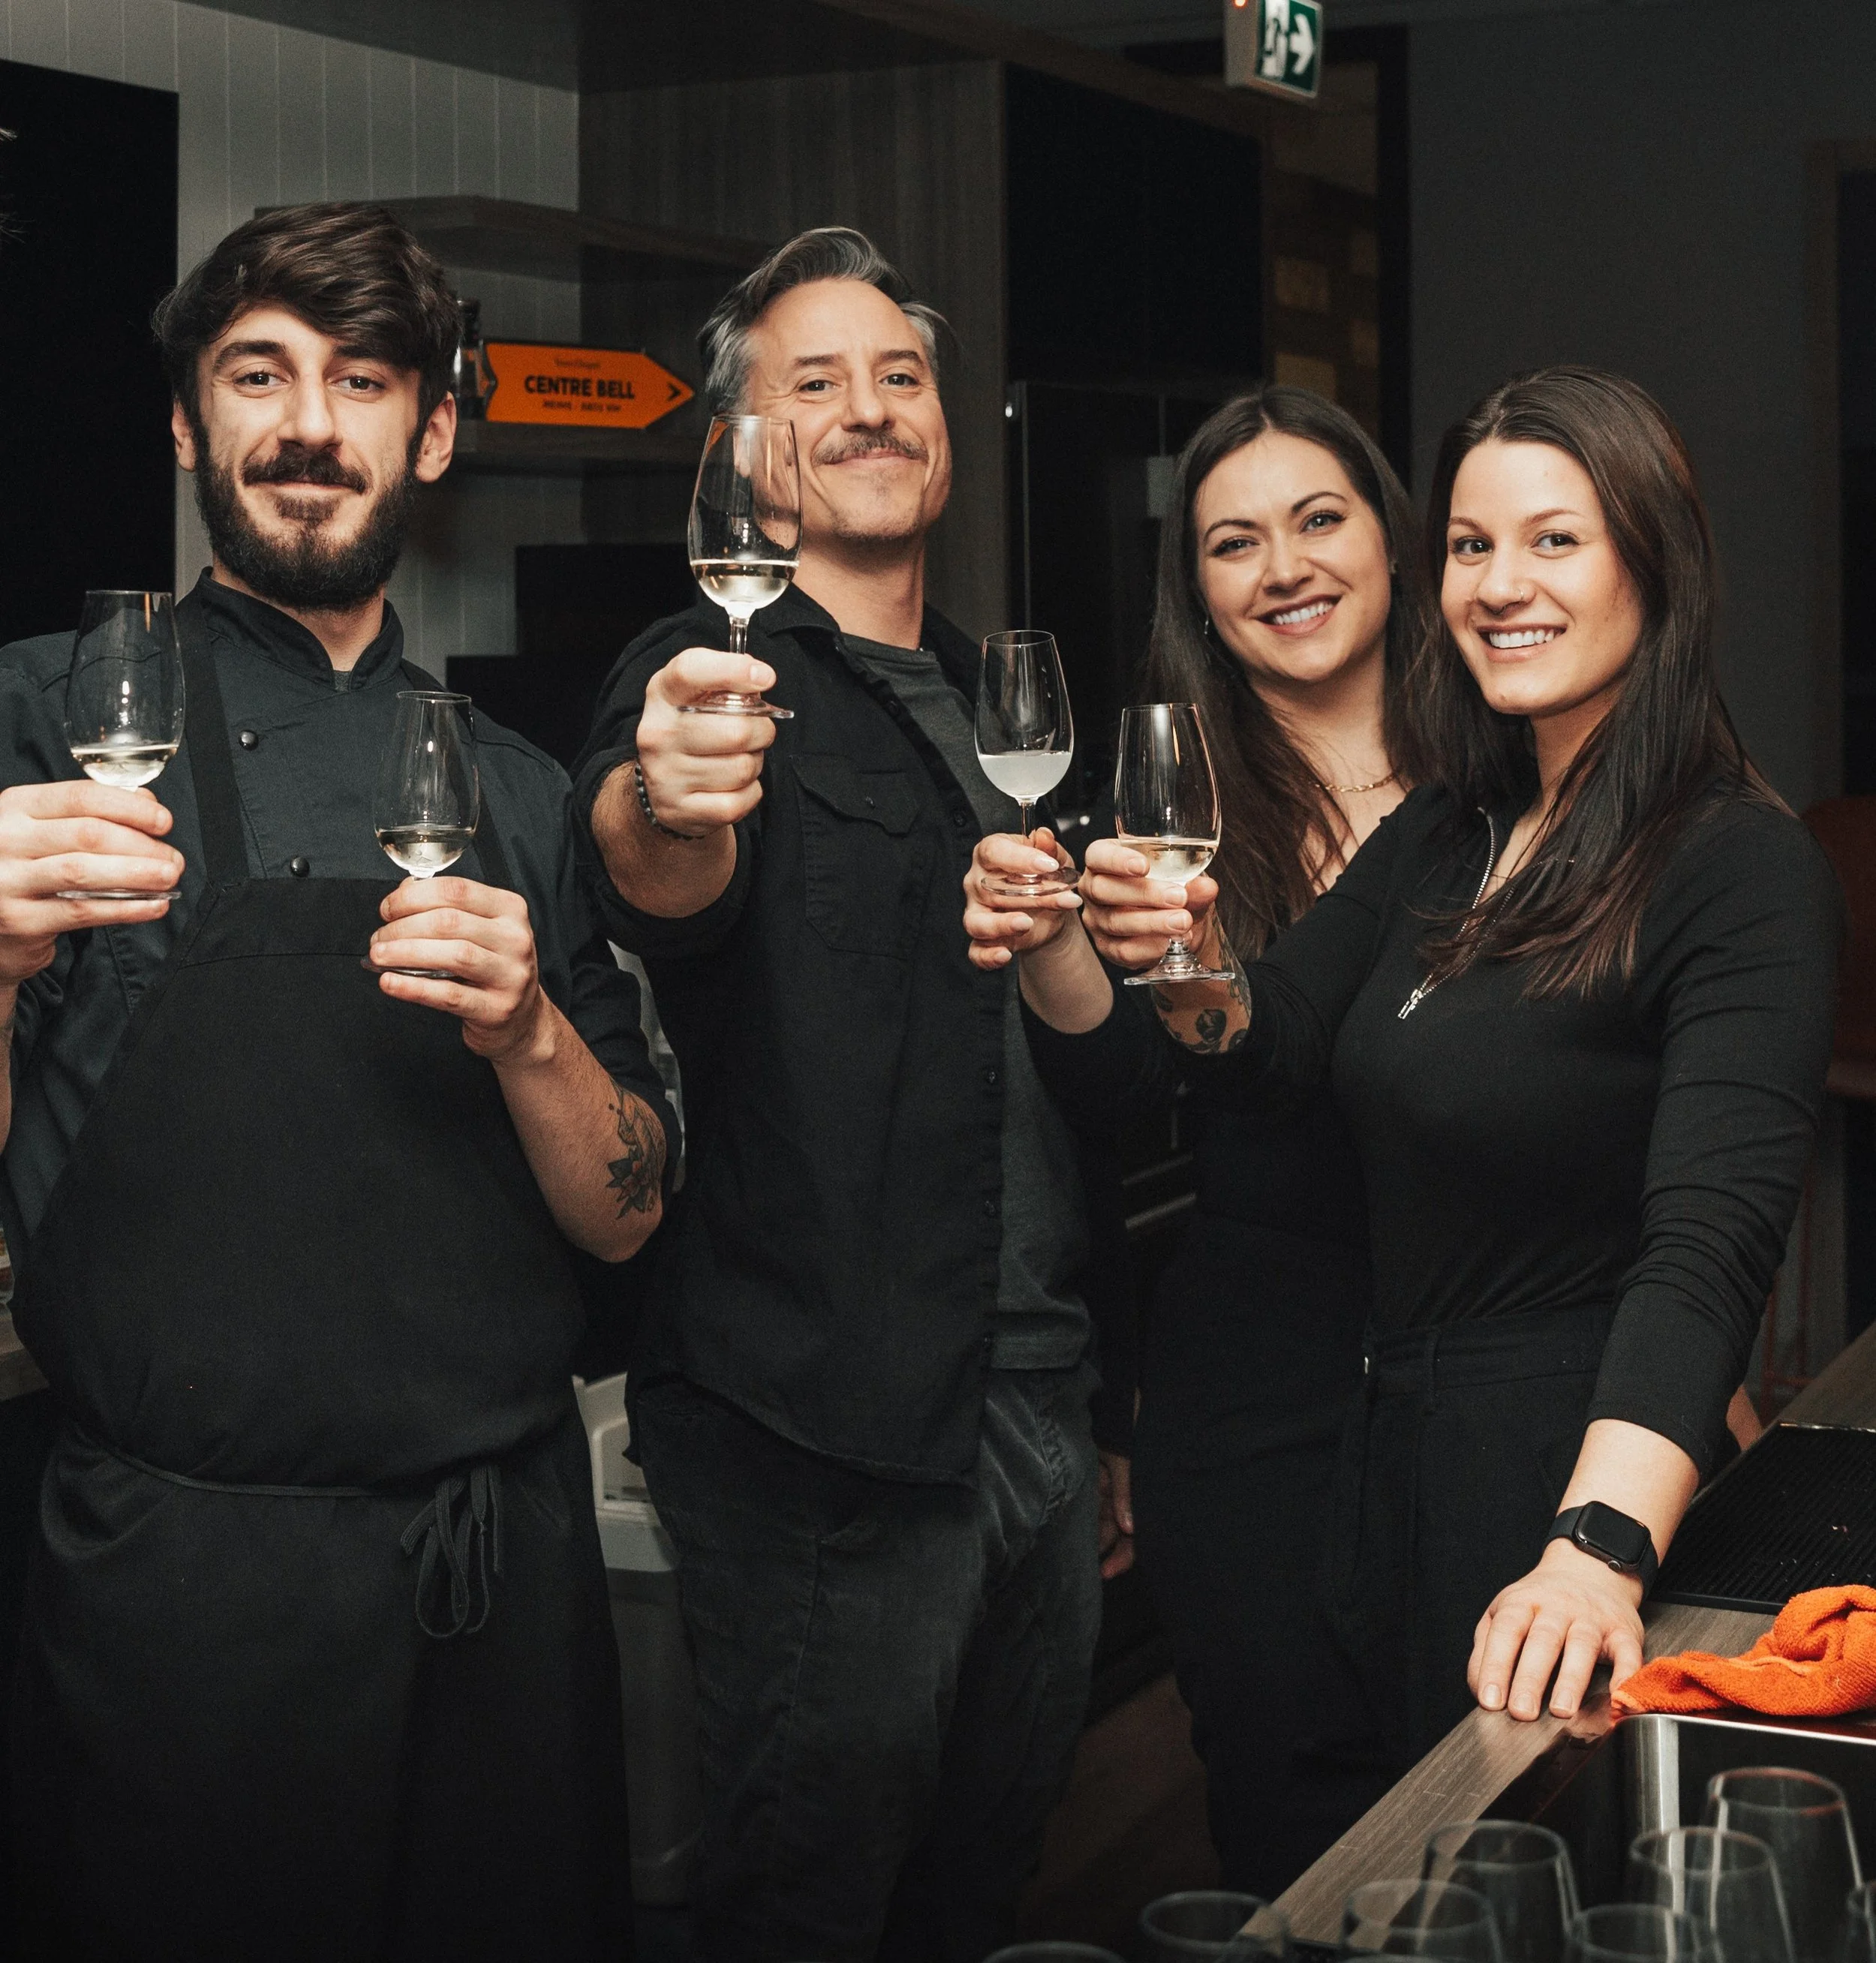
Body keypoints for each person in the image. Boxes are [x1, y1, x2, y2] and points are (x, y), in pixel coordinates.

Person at [1, 203, 675, 1961]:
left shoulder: (521, 790)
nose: (308, 423)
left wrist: (532, 1035)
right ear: (185, 422)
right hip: (185, 1598)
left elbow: (626, 1217)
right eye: (258, 374)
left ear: (432, 431)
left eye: (361, 379)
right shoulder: (44, 728)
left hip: (502, 1591)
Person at [996, 366, 1841, 1769]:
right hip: (1394, 1468)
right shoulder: (1459, 822)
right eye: (1472, 544)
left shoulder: (1739, 865)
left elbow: (1708, 1245)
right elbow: (1269, 1048)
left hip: (1559, 1471)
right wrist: (1176, 953)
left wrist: (1598, 1546)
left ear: (1657, 564)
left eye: (1553, 540)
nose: (1501, 584)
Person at [574, 227, 1112, 1963]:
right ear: (736, 451)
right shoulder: (703, 679)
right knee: (802, 1912)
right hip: (821, 1430)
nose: (873, 411)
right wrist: (659, 797)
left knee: (978, 1889)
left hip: (1030, 1395)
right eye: (815, 385)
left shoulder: (991, 696)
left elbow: (1057, 1072)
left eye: (900, 378)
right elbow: (656, 868)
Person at [966, 386, 1417, 1892]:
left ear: (1392, 540)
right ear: (1201, 601)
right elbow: (1108, 1105)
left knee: (1506, 1801)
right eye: (1232, 543)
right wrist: (1048, 944)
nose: (1280, 566)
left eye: (1316, 520)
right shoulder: (1159, 807)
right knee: (1294, 1822)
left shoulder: (1513, 783)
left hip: (1482, 1352)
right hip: (1253, 1388)